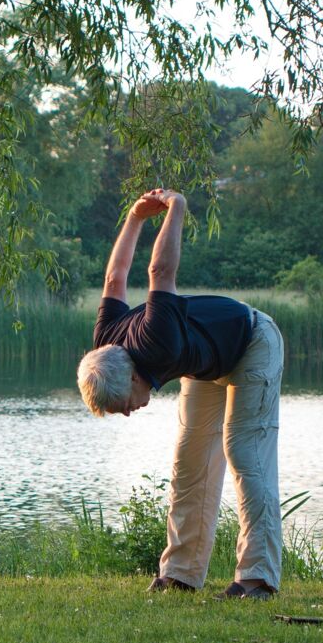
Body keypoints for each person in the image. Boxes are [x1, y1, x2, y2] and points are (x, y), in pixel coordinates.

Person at [77, 188, 284, 599]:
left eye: (123, 407)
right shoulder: (106, 342)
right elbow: (114, 278)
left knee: (244, 452)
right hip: (205, 362)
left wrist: (177, 208)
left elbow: (160, 272)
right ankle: (181, 573)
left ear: (133, 378)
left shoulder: (157, 342)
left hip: (253, 342)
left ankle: (258, 578)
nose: (129, 414)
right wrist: (134, 217)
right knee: (189, 463)